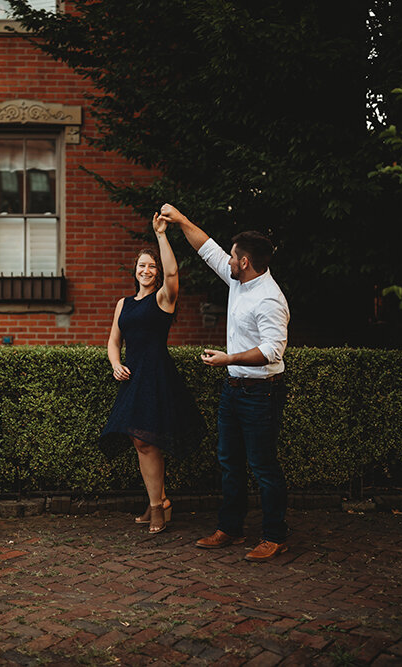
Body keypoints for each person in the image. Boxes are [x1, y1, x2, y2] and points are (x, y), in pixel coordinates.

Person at [159, 203, 291, 562]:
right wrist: (181, 220)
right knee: (229, 461)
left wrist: (228, 358)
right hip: (234, 390)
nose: (228, 260)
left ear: (244, 262)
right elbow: (207, 248)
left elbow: (272, 351)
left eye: (233, 257)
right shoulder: (238, 279)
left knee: (263, 465)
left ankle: (274, 536)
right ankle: (230, 529)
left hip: (261, 392)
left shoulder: (269, 298)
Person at [97, 212, 207, 534]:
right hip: (132, 378)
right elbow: (114, 341)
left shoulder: (163, 299)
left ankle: (158, 507)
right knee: (138, 441)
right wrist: (115, 363)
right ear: (135, 270)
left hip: (157, 376)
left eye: (152, 267)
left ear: (157, 274)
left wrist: (161, 235)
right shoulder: (124, 304)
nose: (146, 270)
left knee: (149, 443)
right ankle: (157, 501)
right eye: (142, 266)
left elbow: (174, 272)